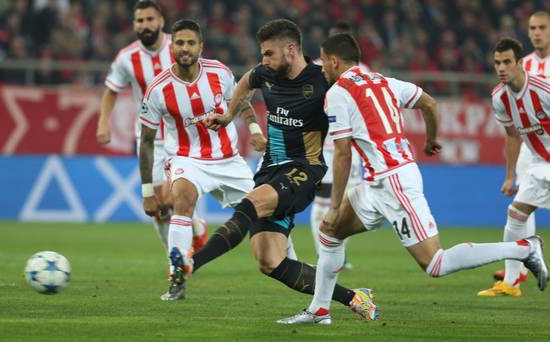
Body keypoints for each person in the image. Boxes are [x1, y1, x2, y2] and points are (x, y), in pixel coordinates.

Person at [278, 33, 548, 325]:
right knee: (330, 233)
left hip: (394, 183)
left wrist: (334, 204)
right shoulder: (384, 81)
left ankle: (523, 248)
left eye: (324, 64)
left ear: (333, 61)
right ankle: (320, 310)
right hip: (376, 183)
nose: (323, 71)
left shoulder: (338, 93)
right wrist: (432, 139)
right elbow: (429, 103)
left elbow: (342, 153)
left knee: (436, 263)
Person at [199, 19, 378, 321]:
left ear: (291, 50)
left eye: (269, 53)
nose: (264, 60)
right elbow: (245, 82)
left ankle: (193, 262)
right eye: (263, 54)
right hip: (269, 169)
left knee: (250, 204)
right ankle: (354, 297)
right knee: (270, 261)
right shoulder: (265, 73)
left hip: (304, 169)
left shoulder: (323, 80)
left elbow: (365, 99)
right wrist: (229, 115)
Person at [139, 19, 267, 301]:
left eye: (190, 43)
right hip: (187, 159)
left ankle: (290, 264)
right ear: (171, 46)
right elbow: (147, 141)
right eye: (179, 43)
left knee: (267, 213)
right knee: (181, 201)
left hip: (229, 160)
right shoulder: (158, 88)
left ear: (200, 47)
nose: (185, 48)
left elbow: (242, 102)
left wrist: (255, 130)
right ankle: (177, 279)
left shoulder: (219, 72)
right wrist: (148, 191)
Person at [96, 0, 208, 252]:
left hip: (182, 134)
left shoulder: (181, 46)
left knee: (172, 197)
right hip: (149, 138)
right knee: (158, 207)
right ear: (134, 24)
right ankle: (176, 257)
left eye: (149, 19)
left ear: (160, 21)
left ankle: (196, 226)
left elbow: (203, 78)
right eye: (140, 20)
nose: (145, 25)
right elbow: (111, 90)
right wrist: (103, 121)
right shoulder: (127, 57)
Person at [478, 37, 550, 297]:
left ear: (520, 63)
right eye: (497, 63)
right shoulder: (499, 97)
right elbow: (512, 135)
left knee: (517, 215)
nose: (501, 68)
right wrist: (509, 176)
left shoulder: (543, 89)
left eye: (507, 62)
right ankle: (511, 282)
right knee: (516, 215)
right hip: (540, 165)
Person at [311, 21, 367, 269]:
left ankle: (337, 256)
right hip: (326, 145)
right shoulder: (315, 68)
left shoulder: (363, 70)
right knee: (324, 201)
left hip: (350, 148)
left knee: (346, 202)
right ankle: (325, 254)